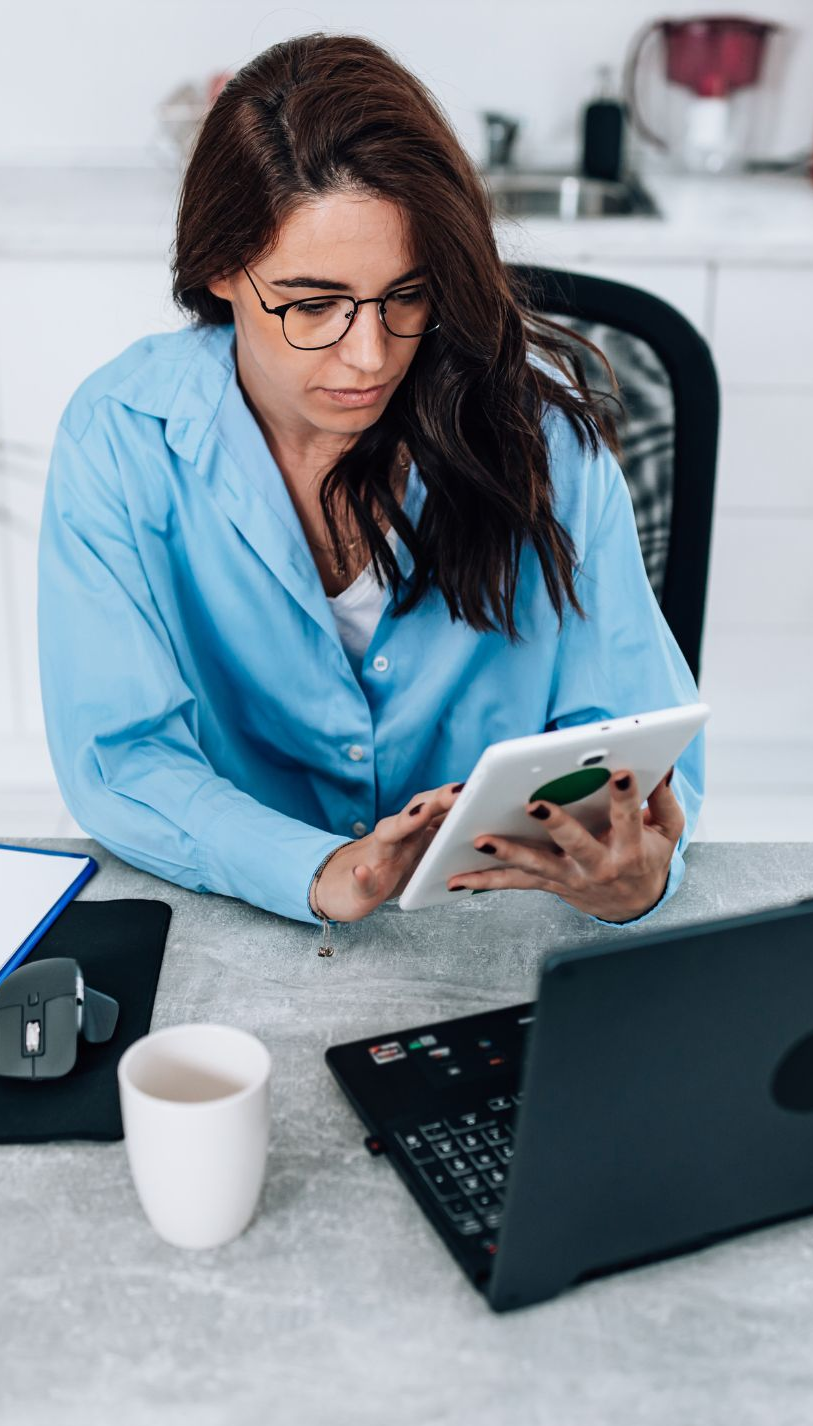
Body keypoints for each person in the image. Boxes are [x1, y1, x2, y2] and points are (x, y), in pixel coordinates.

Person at [37, 32, 704, 943]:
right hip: (244, 930)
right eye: (313, 305)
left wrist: (635, 876)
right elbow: (122, 756)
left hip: (500, 935)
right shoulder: (121, 436)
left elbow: (635, 735)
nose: (371, 355)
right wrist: (317, 869)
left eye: (408, 296)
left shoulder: (544, 446)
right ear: (220, 271)